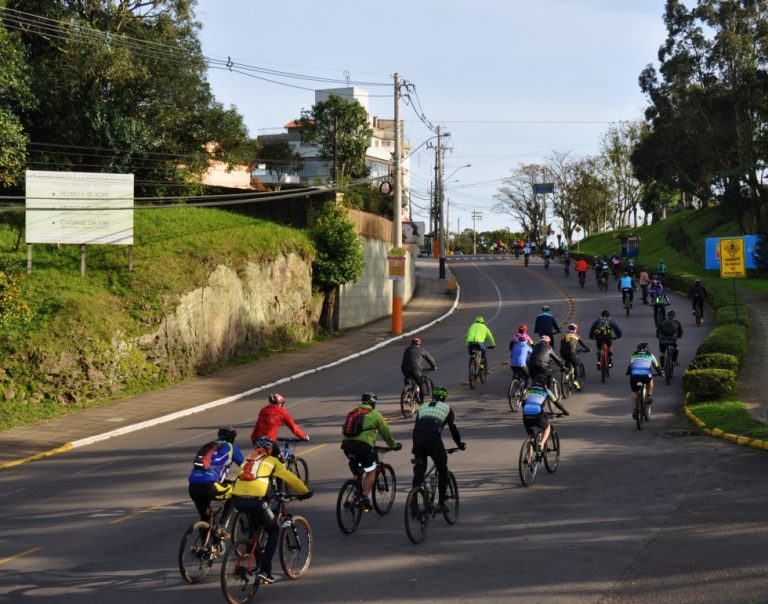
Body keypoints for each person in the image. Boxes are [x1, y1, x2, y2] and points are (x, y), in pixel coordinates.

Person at [230, 436, 311, 584]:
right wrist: (304, 491)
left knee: (257, 528)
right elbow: (290, 478)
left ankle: (252, 550)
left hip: (237, 500)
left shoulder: (247, 459)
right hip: (256, 501)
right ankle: (265, 571)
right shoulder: (273, 461)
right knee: (273, 530)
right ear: (270, 449)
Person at [341, 392, 402, 513]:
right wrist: (393, 445)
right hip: (363, 448)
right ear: (373, 403)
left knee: (357, 471)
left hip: (347, 447)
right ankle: (364, 497)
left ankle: (355, 494)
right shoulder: (375, 415)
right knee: (371, 470)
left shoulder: (352, 413)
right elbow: (386, 433)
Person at [411, 386, 465, 512]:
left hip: (418, 438)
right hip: (433, 439)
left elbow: (416, 427)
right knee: (442, 468)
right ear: (444, 398)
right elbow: (453, 430)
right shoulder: (447, 409)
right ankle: (441, 502)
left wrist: (415, 447)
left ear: (433, 397)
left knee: (420, 469)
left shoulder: (423, 406)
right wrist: (460, 444)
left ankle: (413, 504)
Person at [188, 425, 245, 527]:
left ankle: (203, 541)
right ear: (233, 438)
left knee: (205, 518)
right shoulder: (231, 447)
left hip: (193, 487)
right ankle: (222, 525)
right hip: (210, 485)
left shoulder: (209, 446)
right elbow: (245, 466)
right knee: (235, 493)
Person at [521, 376, 569, 461]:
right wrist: (565, 412)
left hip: (526, 413)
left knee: (531, 438)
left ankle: (531, 462)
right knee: (547, 427)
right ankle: (541, 445)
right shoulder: (546, 390)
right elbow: (557, 403)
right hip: (538, 412)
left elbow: (523, 403)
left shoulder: (528, 389)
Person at [626, 343, 662, 419]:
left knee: (634, 392)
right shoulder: (650, 354)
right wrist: (660, 373)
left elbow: (630, 366)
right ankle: (649, 396)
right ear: (647, 349)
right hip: (646, 374)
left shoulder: (634, 354)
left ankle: (635, 410)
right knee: (650, 380)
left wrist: (628, 372)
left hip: (634, 375)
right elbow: (656, 366)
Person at [401, 336, 437, 403]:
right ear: (419, 344)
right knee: (420, 385)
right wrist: (433, 367)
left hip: (404, 369)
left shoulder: (407, 349)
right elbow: (430, 359)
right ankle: (422, 403)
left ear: (411, 344)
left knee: (407, 377)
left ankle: (407, 392)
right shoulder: (422, 350)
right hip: (416, 369)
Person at [559, 324, 590, 391]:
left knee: (568, 360)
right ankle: (575, 381)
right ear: (576, 329)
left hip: (562, 353)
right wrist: (588, 349)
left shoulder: (564, 335)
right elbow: (583, 345)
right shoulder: (576, 336)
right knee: (576, 364)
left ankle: (566, 376)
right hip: (571, 352)